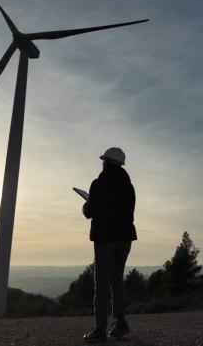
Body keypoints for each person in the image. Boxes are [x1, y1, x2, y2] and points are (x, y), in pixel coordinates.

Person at [82, 147, 137, 343]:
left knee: (102, 284)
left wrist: (86, 204)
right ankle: (120, 324)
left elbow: (91, 212)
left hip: (105, 238)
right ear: (120, 164)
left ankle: (100, 330)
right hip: (125, 238)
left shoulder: (99, 183)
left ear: (106, 162)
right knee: (117, 281)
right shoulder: (129, 187)